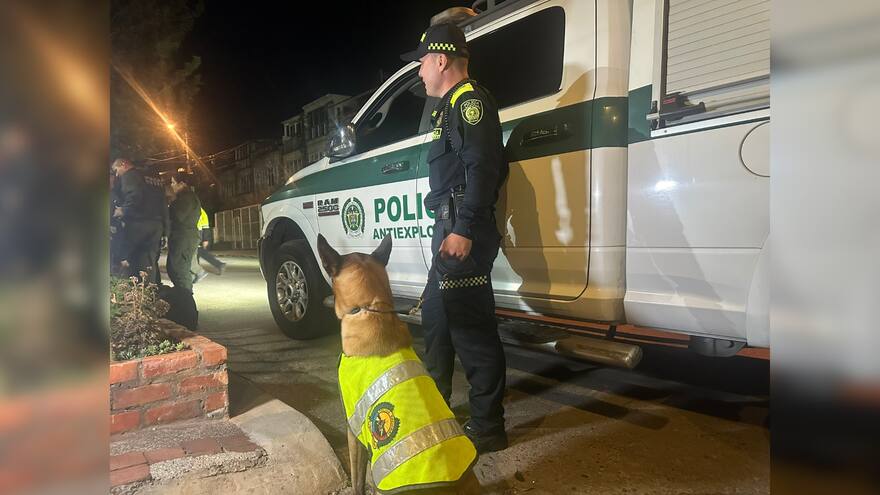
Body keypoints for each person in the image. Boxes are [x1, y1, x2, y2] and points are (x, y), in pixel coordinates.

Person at [401, 23, 510, 453]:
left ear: (441, 59)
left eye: (422, 62)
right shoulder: (448, 108)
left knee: (472, 333)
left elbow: (484, 168)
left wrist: (464, 228)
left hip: (463, 230)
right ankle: (437, 412)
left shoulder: (469, 103)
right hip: (449, 228)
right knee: (437, 322)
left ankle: (488, 427)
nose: (420, 71)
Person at [112, 158, 168, 283]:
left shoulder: (130, 175)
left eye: (116, 170)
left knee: (128, 259)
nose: (117, 174)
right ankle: (151, 290)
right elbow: (163, 204)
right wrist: (166, 230)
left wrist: (123, 210)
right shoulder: (154, 179)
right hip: (156, 225)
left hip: (138, 224)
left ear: (123, 164)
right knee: (149, 262)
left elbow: (133, 195)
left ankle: (133, 291)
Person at [166, 173, 201, 293]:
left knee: (179, 270)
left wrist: (169, 205)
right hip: (184, 237)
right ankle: (183, 296)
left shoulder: (186, 198)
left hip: (184, 238)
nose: (171, 185)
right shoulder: (186, 197)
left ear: (182, 184)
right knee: (175, 269)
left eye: (173, 182)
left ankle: (186, 298)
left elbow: (177, 216)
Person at [192, 207, 226, 284]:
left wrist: (205, 239)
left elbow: (205, 225)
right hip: (198, 232)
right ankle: (219, 265)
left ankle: (197, 272)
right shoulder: (199, 210)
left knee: (197, 251)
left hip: (197, 232)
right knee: (198, 252)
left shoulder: (198, 210)